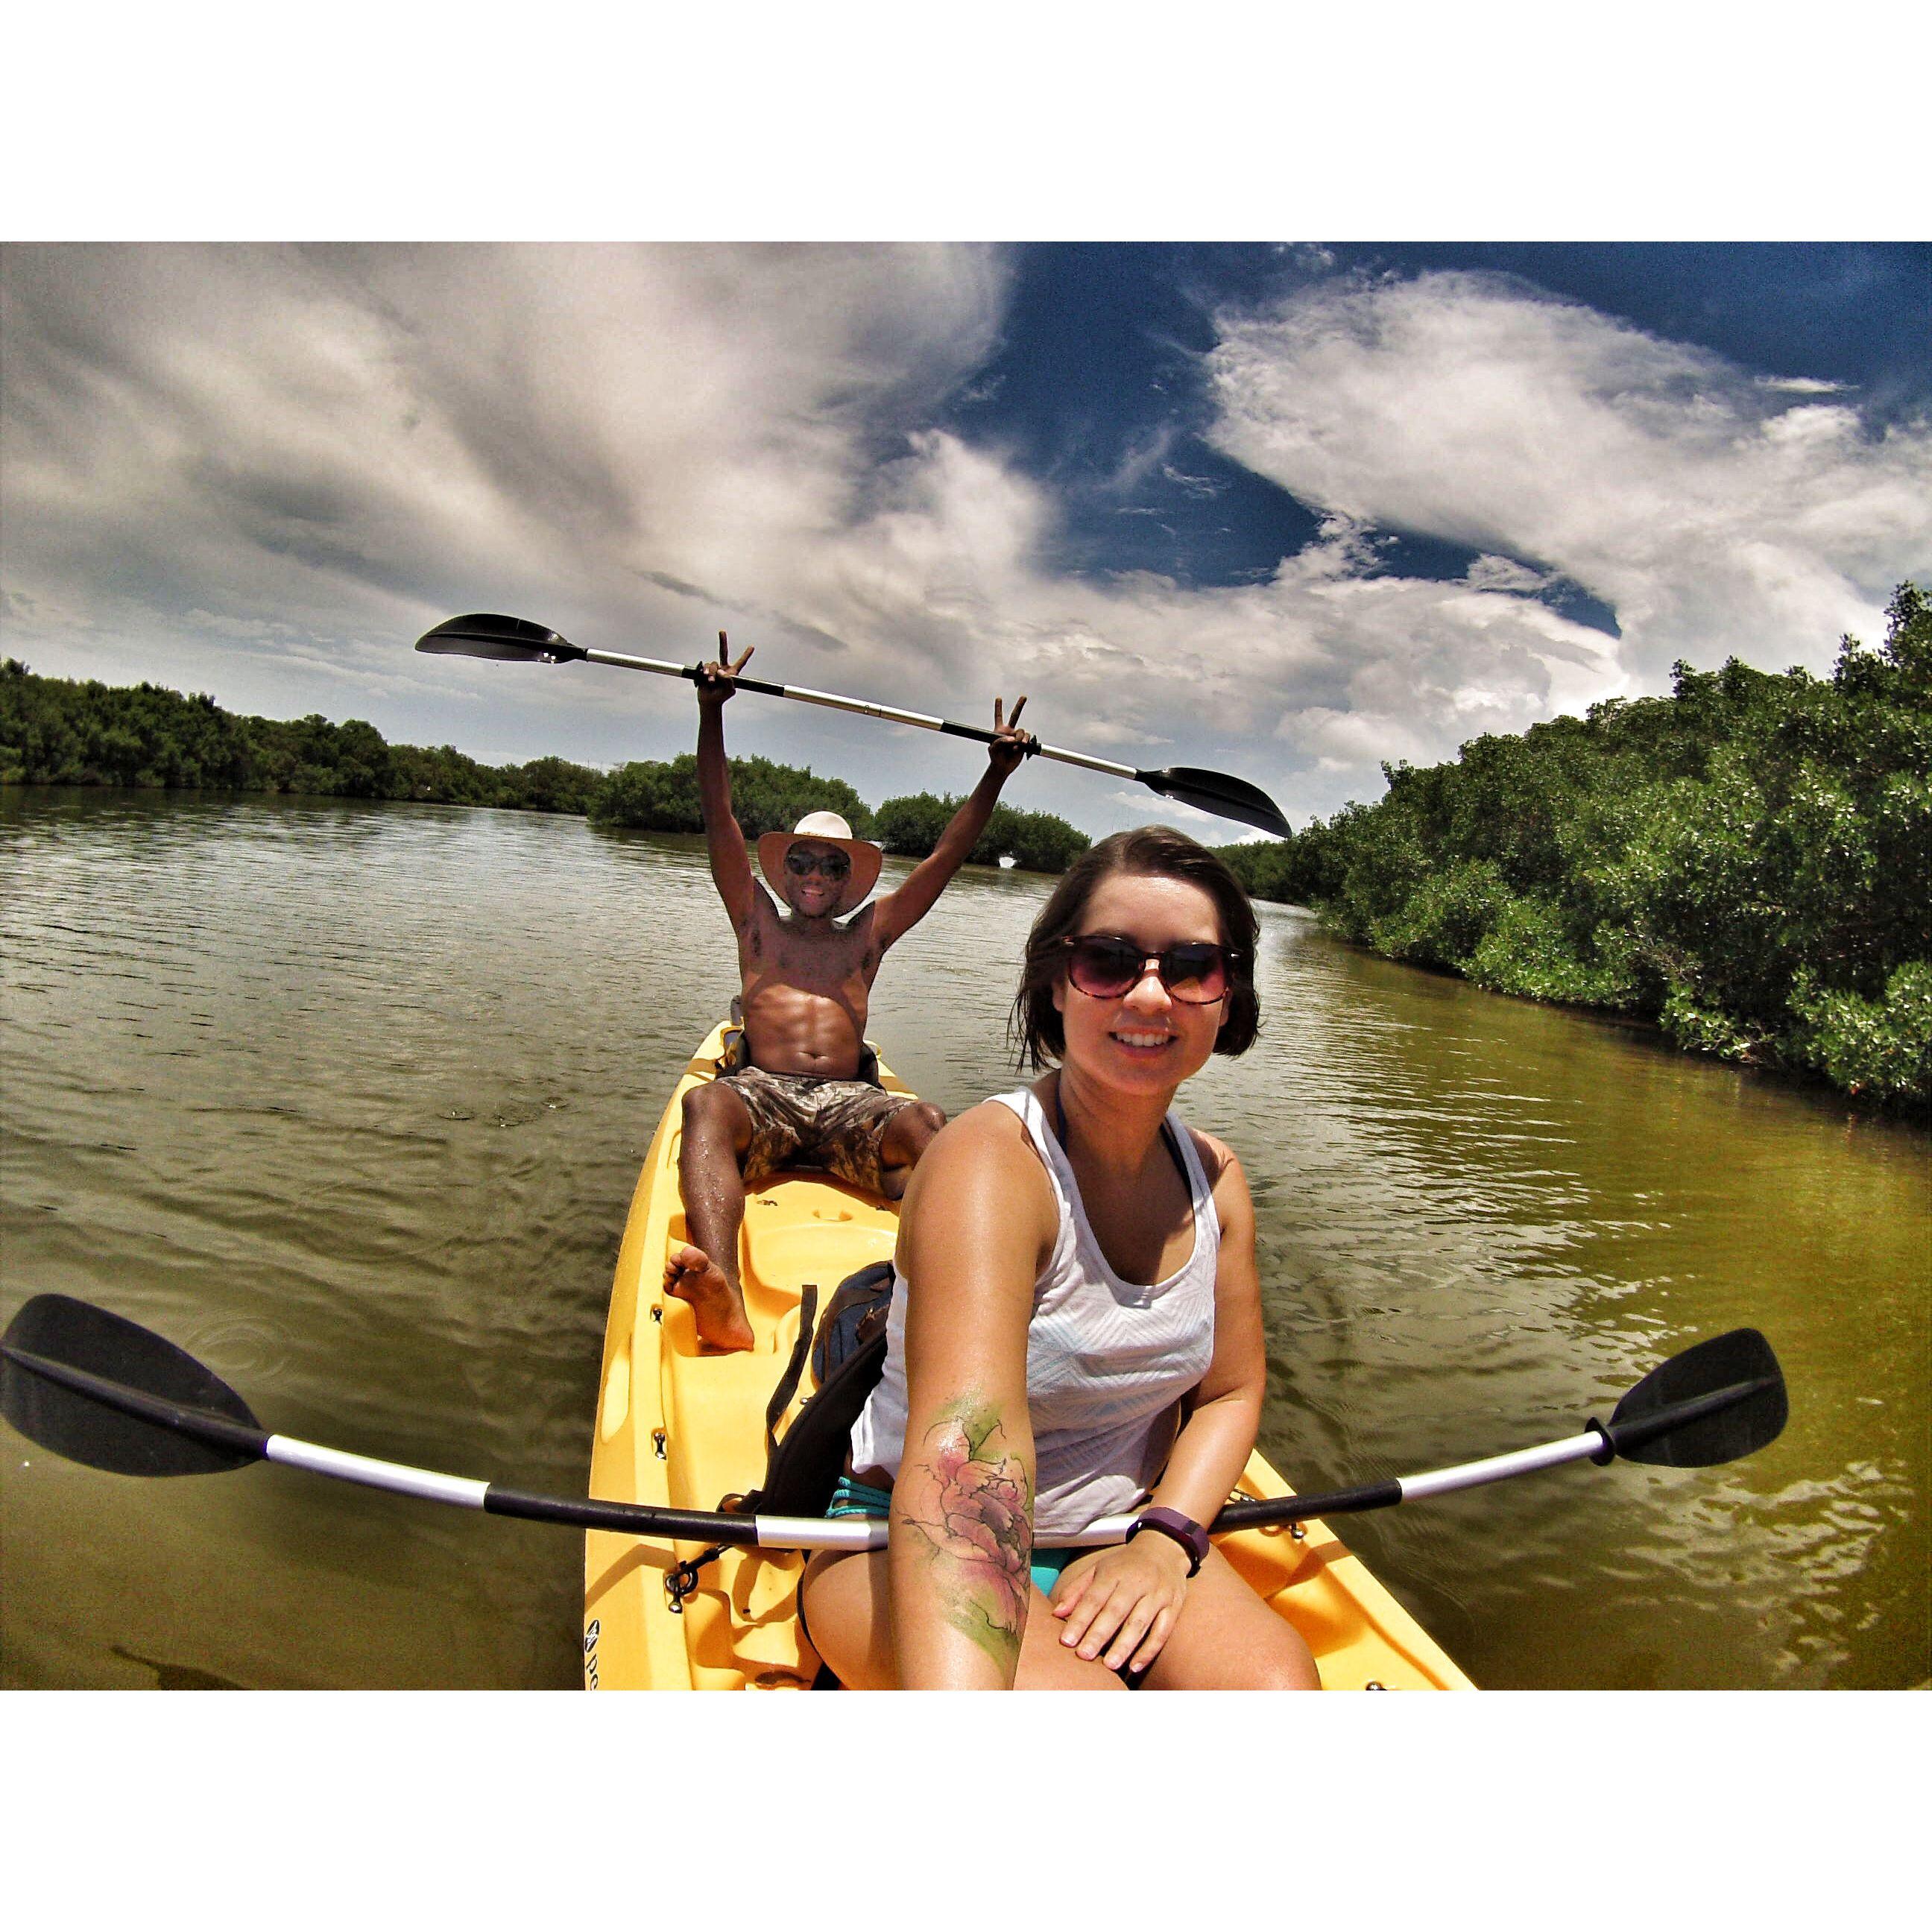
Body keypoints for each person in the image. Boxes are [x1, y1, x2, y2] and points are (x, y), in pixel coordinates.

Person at [798, 826, 1322, 1689]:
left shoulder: (1219, 1181)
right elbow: (969, 1450)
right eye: (1109, 962)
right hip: (911, 1540)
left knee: (1280, 1695)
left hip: (1120, 1533)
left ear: (1228, 996)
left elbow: (1231, 1391)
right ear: (1055, 982)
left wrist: (1166, 1538)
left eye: (1192, 966)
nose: (1151, 997)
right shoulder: (988, 1164)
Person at [665, 636, 1038, 1352]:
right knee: (704, 1103)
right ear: (784, 871)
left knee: (932, 1124)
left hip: (850, 1109)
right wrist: (711, 712)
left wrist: (995, 774)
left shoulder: (868, 936)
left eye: (829, 865)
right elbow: (720, 818)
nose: (812, 873)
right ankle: (724, 1294)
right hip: (760, 1096)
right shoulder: (754, 922)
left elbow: (946, 857)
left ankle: (974, 1302)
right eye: (800, 860)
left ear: (845, 879)